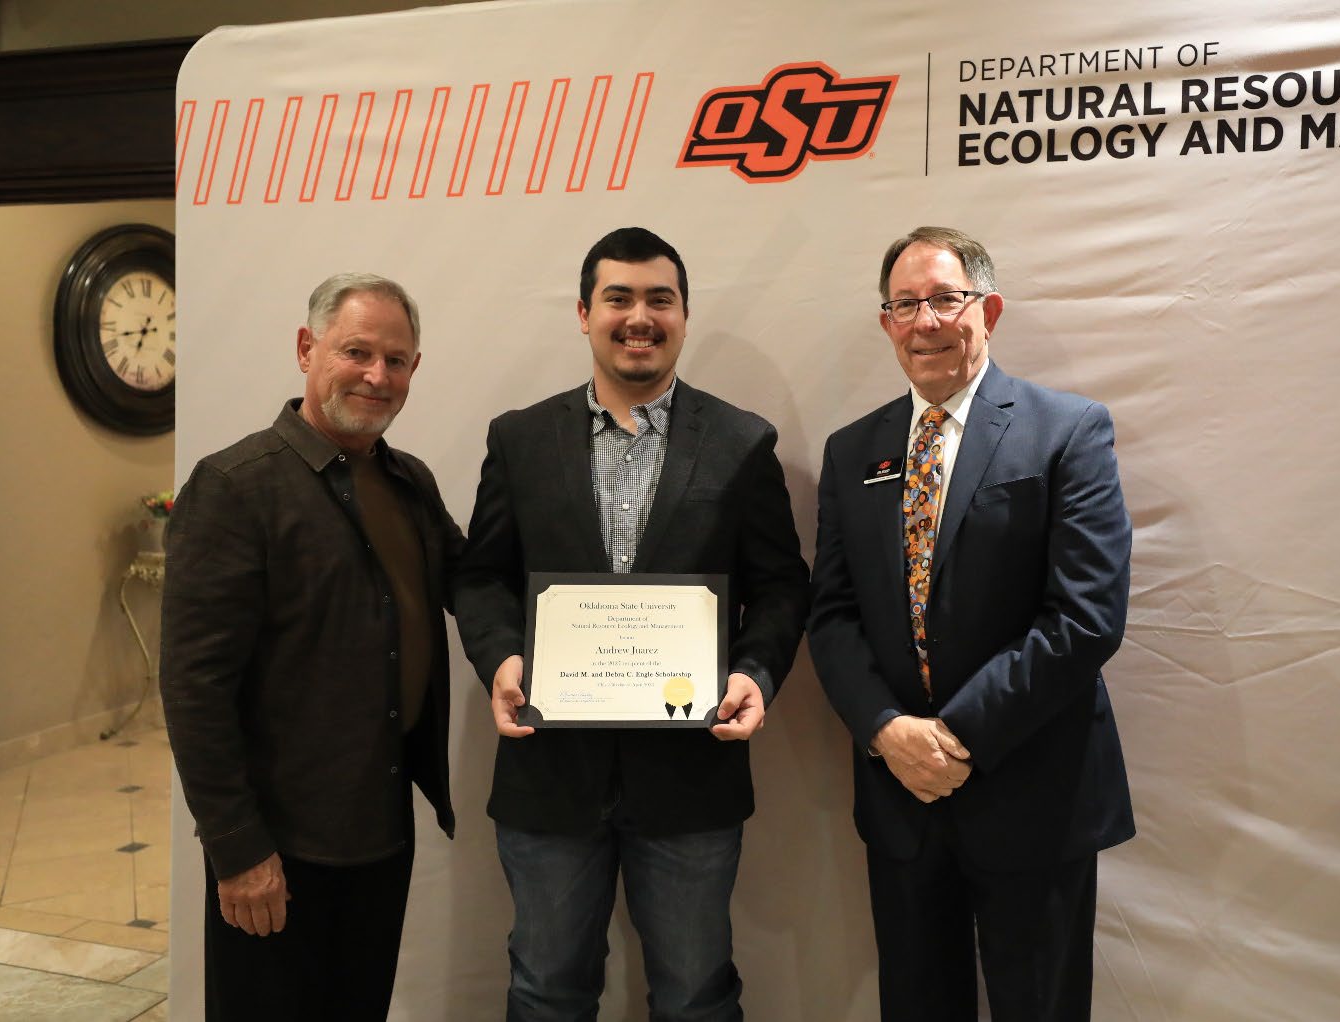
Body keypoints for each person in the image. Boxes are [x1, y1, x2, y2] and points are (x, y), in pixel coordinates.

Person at [454, 227, 810, 1021]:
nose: (639, 317)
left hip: (691, 779)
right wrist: (503, 659)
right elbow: (479, 577)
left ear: (684, 315)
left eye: (660, 299)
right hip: (549, 775)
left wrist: (754, 673)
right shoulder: (519, 439)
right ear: (585, 313)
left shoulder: (742, 442)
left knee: (695, 997)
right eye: (618, 298)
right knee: (546, 992)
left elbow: (782, 587)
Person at [808, 226, 1135, 1021]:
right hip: (902, 798)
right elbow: (834, 615)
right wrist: (887, 731)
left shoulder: (1067, 430)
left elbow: (1086, 617)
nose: (926, 322)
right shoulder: (853, 451)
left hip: (1034, 792)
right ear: (886, 322)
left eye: (945, 300)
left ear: (987, 310)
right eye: (905, 304)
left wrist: (954, 738)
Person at [160, 273, 464, 1021]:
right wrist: (238, 849)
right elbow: (194, 686)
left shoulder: (410, 483)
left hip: (381, 830)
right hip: (277, 848)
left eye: (396, 360)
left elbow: (479, 581)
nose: (377, 375)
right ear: (307, 349)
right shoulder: (234, 487)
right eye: (356, 352)